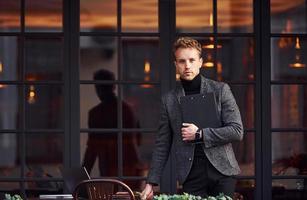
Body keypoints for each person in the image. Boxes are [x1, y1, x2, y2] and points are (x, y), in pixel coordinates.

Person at [141, 37, 243, 198]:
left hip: (222, 172)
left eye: (191, 60)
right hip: (191, 175)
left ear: (200, 62)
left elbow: (236, 131)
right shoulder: (169, 100)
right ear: (176, 65)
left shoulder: (220, 90)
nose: (187, 66)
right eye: (182, 61)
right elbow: (162, 143)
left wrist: (200, 134)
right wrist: (150, 182)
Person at [82, 69, 140, 184]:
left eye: (101, 88)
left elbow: (91, 150)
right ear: (114, 86)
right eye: (99, 88)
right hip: (127, 168)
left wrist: (82, 178)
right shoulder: (126, 110)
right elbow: (138, 139)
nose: (100, 92)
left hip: (116, 168)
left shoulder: (96, 113)